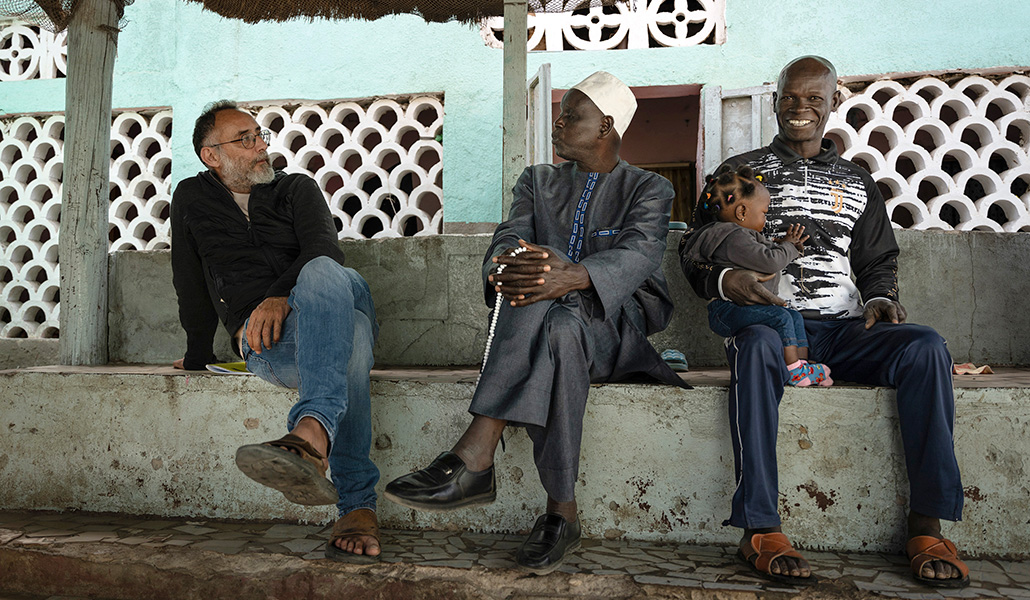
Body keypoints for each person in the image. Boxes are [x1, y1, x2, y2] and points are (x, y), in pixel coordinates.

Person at [680, 56, 969, 588]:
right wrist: (724, 283)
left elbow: (878, 261)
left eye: (815, 98)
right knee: (758, 345)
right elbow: (692, 248)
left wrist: (881, 297)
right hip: (769, 323)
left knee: (925, 346)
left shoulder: (859, 182)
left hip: (840, 331)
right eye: (791, 96)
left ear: (833, 103)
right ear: (775, 101)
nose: (801, 108)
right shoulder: (739, 174)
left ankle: (926, 525)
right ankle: (760, 528)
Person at [384, 71, 689, 574]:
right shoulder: (537, 181)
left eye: (573, 115)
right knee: (557, 319)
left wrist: (575, 275)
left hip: (615, 327)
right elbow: (508, 237)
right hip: (555, 326)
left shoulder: (648, 187)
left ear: (606, 125)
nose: (559, 122)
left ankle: (476, 452)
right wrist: (511, 264)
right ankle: (561, 512)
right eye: (561, 112)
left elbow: (639, 253)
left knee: (555, 289)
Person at [170, 100, 381, 563]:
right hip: (269, 342)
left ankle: (310, 432)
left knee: (323, 269)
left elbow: (324, 247)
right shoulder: (191, 197)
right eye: (244, 139)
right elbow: (189, 281)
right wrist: (196, 353)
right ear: (212, 155)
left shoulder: (295, 188)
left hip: (330, 293)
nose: (260, 146)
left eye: (259, 135)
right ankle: (357, 506)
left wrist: (281, 295)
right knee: (356, 341)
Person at [680, 164, 832, 387]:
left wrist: (778, 246)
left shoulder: (739, 236)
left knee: (794, 316)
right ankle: (794, 371)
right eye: (764, 212)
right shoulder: (732, 237)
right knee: (781, 318)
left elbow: (761, 253)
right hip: (728, 311)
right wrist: (789, 248)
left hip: (743, 309)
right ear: (742, 212)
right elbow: (770, 262)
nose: (766, 219)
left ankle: (802, 364)